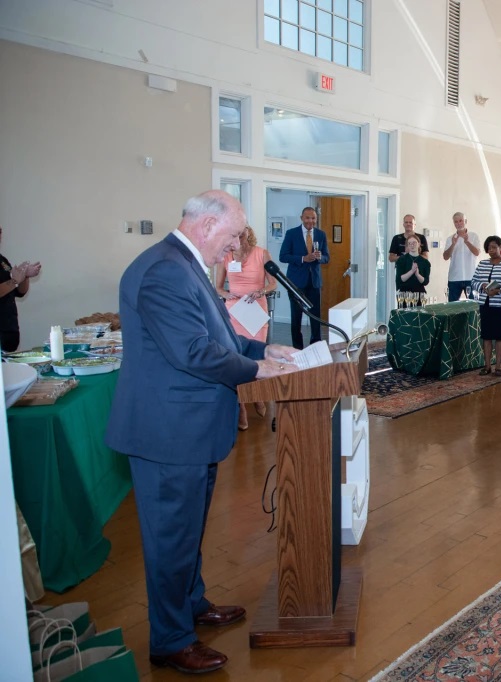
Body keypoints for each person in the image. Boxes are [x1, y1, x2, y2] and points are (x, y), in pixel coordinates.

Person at [105, 190, 299, 675]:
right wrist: (256, 375)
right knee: (170, 537)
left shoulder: (182, 264)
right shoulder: (166, 269)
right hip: (168, 433)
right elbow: (192, 351)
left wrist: (262, 352)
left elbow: (217, 336)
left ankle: (190, 605)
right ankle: (171, 640)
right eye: (233, 236)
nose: (235, 248)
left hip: (188, 431)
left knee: (186, 532)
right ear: (208, 225)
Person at [214, 225, 276, 430]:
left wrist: (260, 292)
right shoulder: (227, 256)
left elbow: (273, 283)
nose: (240, 237)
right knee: (237, 357)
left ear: (249, 233)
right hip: (234, 311)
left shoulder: (261, 254)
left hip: (256, 309)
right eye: (236, 234)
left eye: (243, 232)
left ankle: (257, 394)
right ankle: (241, 406)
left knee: (256, 356)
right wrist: (225, 294)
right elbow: (218, 287)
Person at [279, 206, 329, 349]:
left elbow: (327, 257)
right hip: (295, 283)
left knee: (315, 317)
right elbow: (283, 256)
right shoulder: (291, 234)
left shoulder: (321, 234)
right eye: (307, 218)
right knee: (296, 317)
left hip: (314, 282)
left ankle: (316, 347)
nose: (310, 221)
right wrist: (302, 258)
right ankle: (297, 349)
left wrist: (320, 258)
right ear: (301, 218)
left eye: (313, 218)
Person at [471, 236, 501, 376]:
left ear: (500, 248)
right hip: (485, 304)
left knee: (499, 336)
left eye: (494, 247)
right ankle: (487, 366)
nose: (491, 250)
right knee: (486, 336)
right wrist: (483, 286)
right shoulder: (482, 264)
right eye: (489, 248)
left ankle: (498, 366)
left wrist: (498, 291)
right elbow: (474, 281)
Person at [0, 225, 42, 352]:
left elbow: (20, 292)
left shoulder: (2, 260)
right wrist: (14, 281)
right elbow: (12, 283)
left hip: (9, 329)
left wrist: (25, 276)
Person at [442, 212, 481, 301]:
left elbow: (477, 253)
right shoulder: (450, 238)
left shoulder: (474, 236)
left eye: (461, 221)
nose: (458, 223)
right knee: (452, 307)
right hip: (454, 278)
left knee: (473, 305)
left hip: (471, 277)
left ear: (465, 221)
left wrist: (467, 242)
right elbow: (445, 257)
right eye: (456, 222)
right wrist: (453, 244)